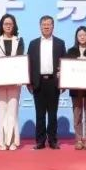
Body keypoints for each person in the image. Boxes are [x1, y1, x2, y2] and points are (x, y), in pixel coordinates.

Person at [27, 15, 65, 150]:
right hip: (38, 82)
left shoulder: (60, 43)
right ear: (40, 27)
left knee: (53, 114)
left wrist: (64, 82)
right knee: (40, 114)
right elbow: (28, 64)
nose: (46, 27)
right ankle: (40, 141)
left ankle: (53, 140)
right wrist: (28, 82)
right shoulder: (33, 44)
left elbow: (64, 64)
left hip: (53, 82)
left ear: (53, 26)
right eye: (44, 24)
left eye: (49, 24)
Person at [0, 14, 24, 151]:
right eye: (5, 24)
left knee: (13, 110)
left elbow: (20, 60)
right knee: (1, 110)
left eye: (10, 24)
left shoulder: (19, 40)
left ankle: (13, 141)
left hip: (15, 81)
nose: (8, 26)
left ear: (14, 25)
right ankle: (2, 141)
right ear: (1, 26)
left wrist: (20, 77)